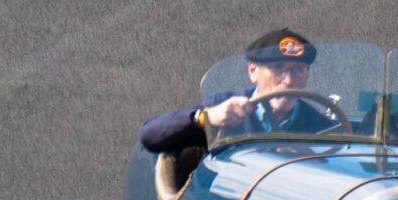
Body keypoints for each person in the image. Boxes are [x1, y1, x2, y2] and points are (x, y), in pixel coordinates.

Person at [138, 29, 342, 154]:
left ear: (306, 76)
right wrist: (205, 118)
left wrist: (313, 157)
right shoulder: (223, 106)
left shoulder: (321, 127)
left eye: (297, 70)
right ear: (253, 72)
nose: (288, 80)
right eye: (278, 68)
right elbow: (149, 135)